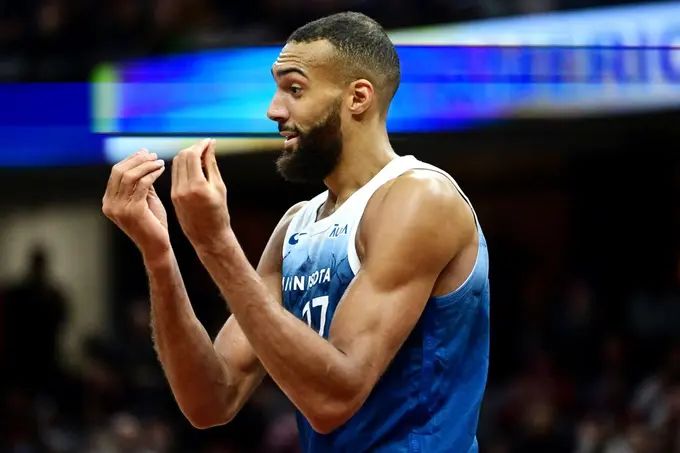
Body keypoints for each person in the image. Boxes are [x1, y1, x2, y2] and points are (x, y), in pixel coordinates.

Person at [102, 12, 490, 452]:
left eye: (295, 89)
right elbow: (210, 399)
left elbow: (334, 399)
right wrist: (159, 255)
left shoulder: (420, 197)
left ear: (358, 97)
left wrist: (214, 244)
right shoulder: (297, 224)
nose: (274, 110)